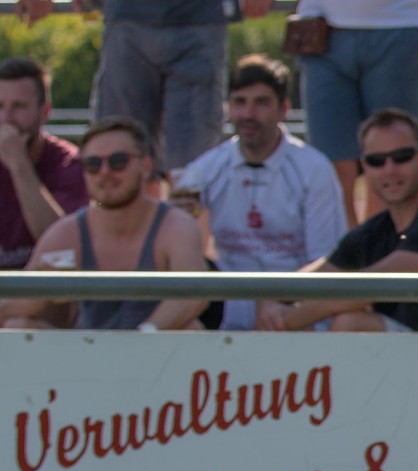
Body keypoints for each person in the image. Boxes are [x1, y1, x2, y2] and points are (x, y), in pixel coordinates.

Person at [254, 108, 418, 333]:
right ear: (365, 167)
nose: (389, 169)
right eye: (377, 161)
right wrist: (272, 301)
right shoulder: (376, 230)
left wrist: (288, 320)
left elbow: (368, 289)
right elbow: (308, 281)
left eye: (402, 156)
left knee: (351, 324)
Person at [175, 54, 346, 330]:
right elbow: (173, 238)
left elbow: (326, 260)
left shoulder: (314, 170)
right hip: (229, 298)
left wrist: (281, 299)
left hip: (295, 301)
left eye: (261, 103)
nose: (248, 115)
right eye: (239, 102)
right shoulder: (207, 167)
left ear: (284, 109)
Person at [17, 0, 273, 180]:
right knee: (117, 155)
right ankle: (129, 253)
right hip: (128, 18)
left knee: (193, 171)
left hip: (198, 20)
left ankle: (186, 252)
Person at [0, 116, 209, 331]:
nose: (105, 172)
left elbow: (195, 294)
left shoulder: (174, 226)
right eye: (93, 164)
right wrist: (35, 296)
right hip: (84, 355)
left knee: (191, 328)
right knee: (18, 326)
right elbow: (7, 307)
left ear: (146, 166)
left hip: (157, 355)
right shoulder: (69, 232)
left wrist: (144, 335)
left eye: (118, 161)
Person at [296, 0, 418, 227]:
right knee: (330, 166)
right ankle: (347, 253)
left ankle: (380, 250)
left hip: (397, 24)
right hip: (319, 28)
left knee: (391, 161)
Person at [0, 57, 87, 275]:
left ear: (45, 112)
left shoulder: (68, 163)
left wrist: (19, 165)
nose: (6, 118)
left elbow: (63, 247)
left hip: (42, 293)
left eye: (18, 106)